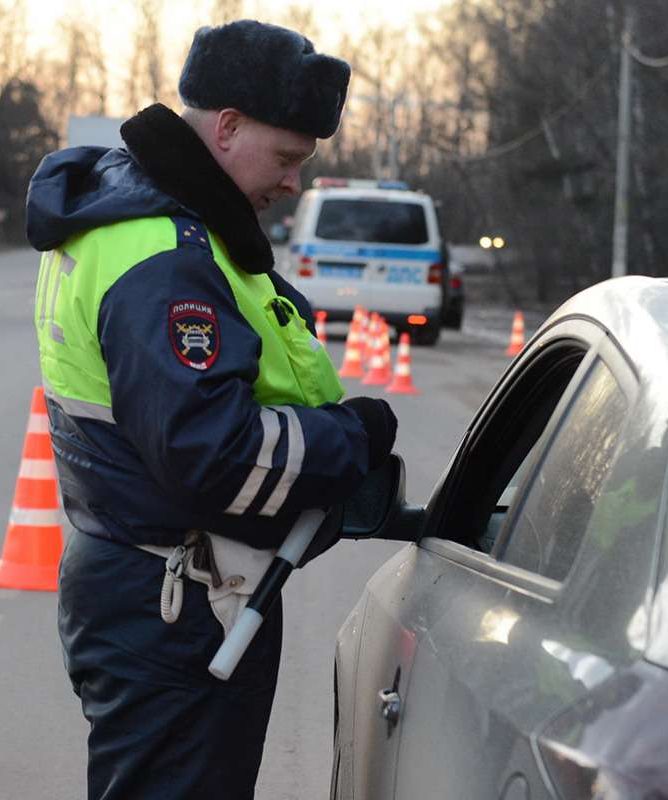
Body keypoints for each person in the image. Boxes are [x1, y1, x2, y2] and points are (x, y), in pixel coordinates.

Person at [24, 20, 398, 799]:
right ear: (226, 127)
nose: (293, 182)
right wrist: (348, 438)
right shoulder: (164, 255)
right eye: (287, 158)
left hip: (159, 590)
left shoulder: (153, 226)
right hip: (178, 604)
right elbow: (216, 455)